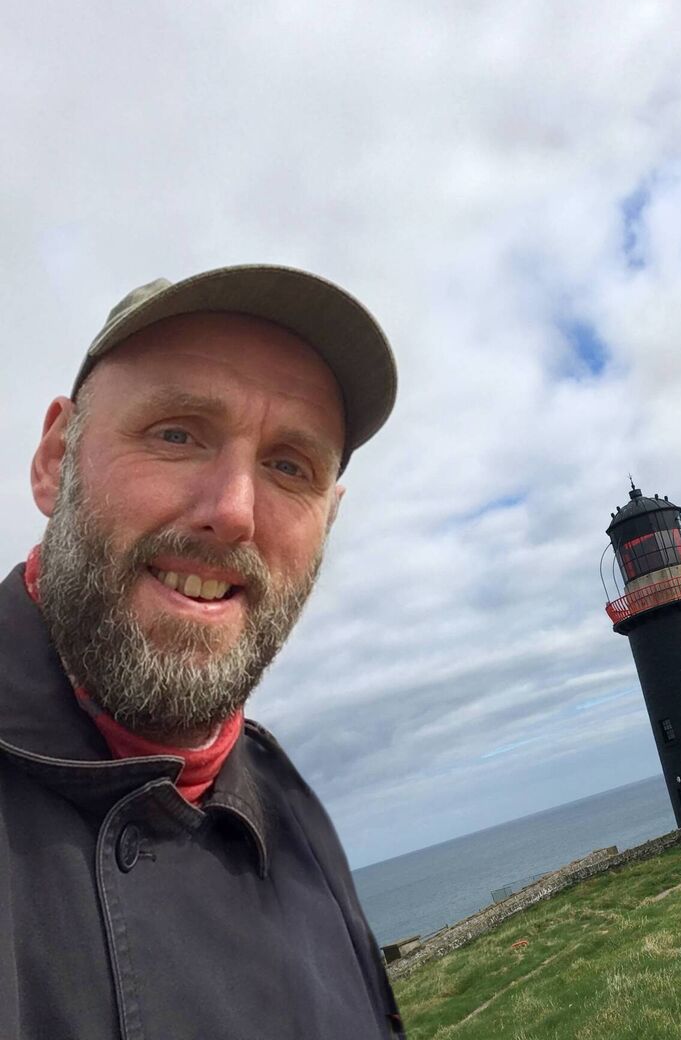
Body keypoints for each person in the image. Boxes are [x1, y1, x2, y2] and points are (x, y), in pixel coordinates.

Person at [0, 265, 405, 1039]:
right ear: (57, 459)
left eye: (290, 465)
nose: (234, 512)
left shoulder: (296, 816)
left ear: (329, 518)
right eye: (177, 433)